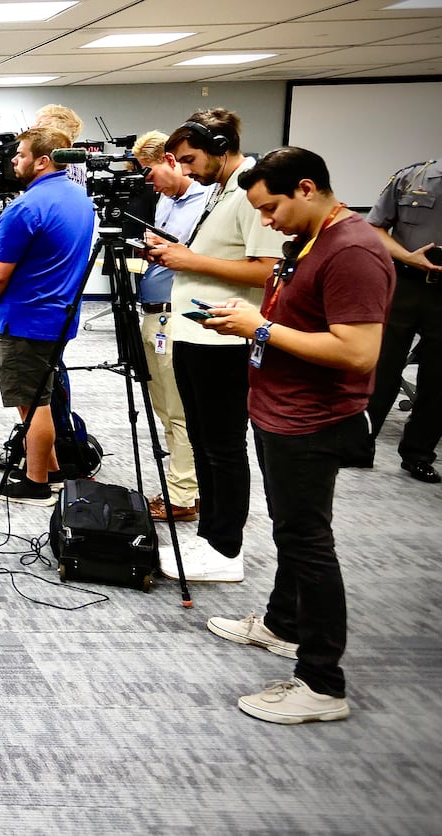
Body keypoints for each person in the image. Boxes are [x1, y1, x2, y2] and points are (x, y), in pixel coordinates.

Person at [201, 146, 394, 724]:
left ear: (307, 188)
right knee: (292, 533)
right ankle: (283, 625)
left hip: (313, 419)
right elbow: (301, 320)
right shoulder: (313, 241)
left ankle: (321, 684)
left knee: (308, 543)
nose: (265, 222)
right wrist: (255, 321)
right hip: (280, 409)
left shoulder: (354, 249)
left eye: (271, 208)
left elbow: (359, 353)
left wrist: (261, 327)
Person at [147, 110, 287, 581]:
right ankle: (211, 537)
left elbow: (268, 268)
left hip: (223, 339)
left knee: (222, 447)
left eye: (190, 159)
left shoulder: (252, 191)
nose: (185, 170)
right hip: (195, 332)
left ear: (220, 146)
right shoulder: (223, 190)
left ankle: (226, 547)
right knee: (205, 443)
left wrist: (190, 260)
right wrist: (180, 258)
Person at [0, 127, 96, 505]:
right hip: (58, 316)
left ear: (42, 161)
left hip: (25, 317)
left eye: (21, 154)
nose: (14, 160)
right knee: (41, 395)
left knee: (32, 404)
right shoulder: (81, 199)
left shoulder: (25, 207)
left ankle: (36, 483)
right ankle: (53, 470)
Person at [132, 131, 213, 522]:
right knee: (164, 408)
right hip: (151, 312)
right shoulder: (167, 201)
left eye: (151, 173)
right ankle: (181, 484)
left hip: (176, 314)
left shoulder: (206, 202)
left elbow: (195, 259)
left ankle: (184, 495)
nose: (150, 183)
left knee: (179, 411)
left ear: (170, 160)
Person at [365, 159, 442, 484]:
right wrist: (407, 256)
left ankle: (418, 454)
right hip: (405, 282)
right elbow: (375, 227)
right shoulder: (413, 176)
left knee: (439, 379)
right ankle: (359, 444)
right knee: (380, 367)